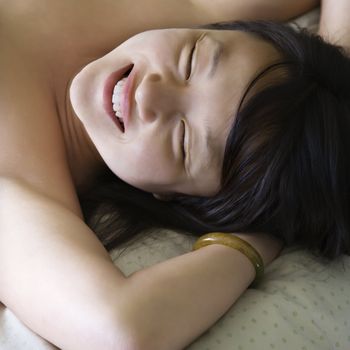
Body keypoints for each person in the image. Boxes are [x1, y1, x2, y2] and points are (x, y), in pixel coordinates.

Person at [0, 0, 349, 349]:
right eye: (190, 62)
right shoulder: (186, 11)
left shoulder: (21, 186)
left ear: (175, 195)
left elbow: (121, 329)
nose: (149, 92)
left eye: (184, 141)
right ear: (221, 31)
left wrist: (250, 242)